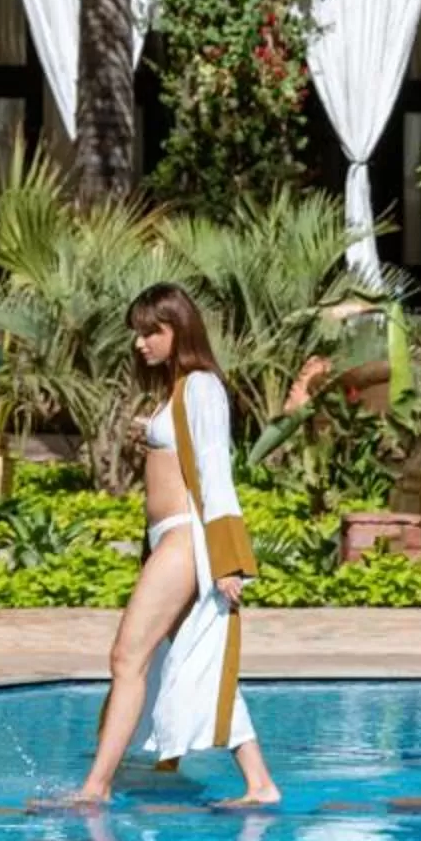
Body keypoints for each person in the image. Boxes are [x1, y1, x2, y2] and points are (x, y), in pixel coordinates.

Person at [73, 283, 281, 810]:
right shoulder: (178, 391)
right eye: (138, 333)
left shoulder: (201, 386)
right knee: (189, 658)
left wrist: (230, 561)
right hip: (171, 539)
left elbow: (215, 475)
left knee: (127, 658)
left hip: (188, 540)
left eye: (152, 331)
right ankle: (260, 784)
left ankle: (95, 788)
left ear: (179, 329)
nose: (141, 342)